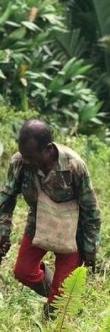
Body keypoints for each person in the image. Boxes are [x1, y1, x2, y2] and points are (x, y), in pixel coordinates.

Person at [0, 119, 101, 316]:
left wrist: (90, 249)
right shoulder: (20, 161)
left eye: (31, 156)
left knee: (59, 306)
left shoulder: (74, 165)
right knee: (23, 271)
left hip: (71, 230)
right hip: (39, 222)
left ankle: (58, 304)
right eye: (23, 154)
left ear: (48, 149)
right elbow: (6, 198)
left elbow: (91, 210)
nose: (26, 160)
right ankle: (58, 295)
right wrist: (3, 232)